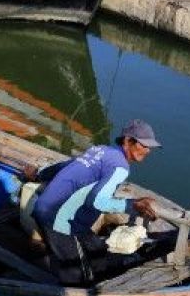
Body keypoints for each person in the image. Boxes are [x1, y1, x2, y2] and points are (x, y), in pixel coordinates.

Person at [30, 119, 160, 285]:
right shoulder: (120, 166)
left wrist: (39, 175)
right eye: (144, 145)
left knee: (97, 252)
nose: (148, 150)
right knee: (75, 275)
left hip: (52, 210)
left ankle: (98, 274)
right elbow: (97, 202)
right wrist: (132, 206)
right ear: (128, 141)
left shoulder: (100, 150)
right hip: (59, 219)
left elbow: (64, 166)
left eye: (150, 147)